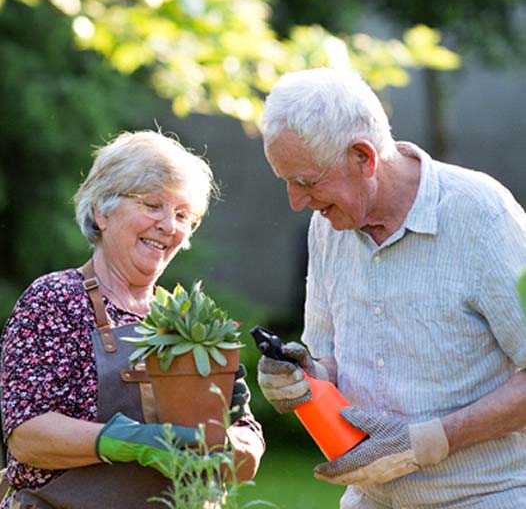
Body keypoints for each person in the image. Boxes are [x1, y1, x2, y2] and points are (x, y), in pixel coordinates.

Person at [256, 67, 526, 508]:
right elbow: (331, 363)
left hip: (484, 496)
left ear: (364, 158)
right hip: (368, 498)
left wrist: (432, 439)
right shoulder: (326, 228)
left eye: (305, 181)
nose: (295, 201)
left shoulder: (481, 215)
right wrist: (304, 377)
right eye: (286, 181)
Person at [0, 130, 265, 509]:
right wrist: (132, 441)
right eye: (153, 204)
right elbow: (27, 436)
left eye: (182, 215)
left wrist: (227, 436)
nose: (169, 226)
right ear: (101, 211)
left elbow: (247, 455)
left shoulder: (190, 319)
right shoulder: (55, 300)